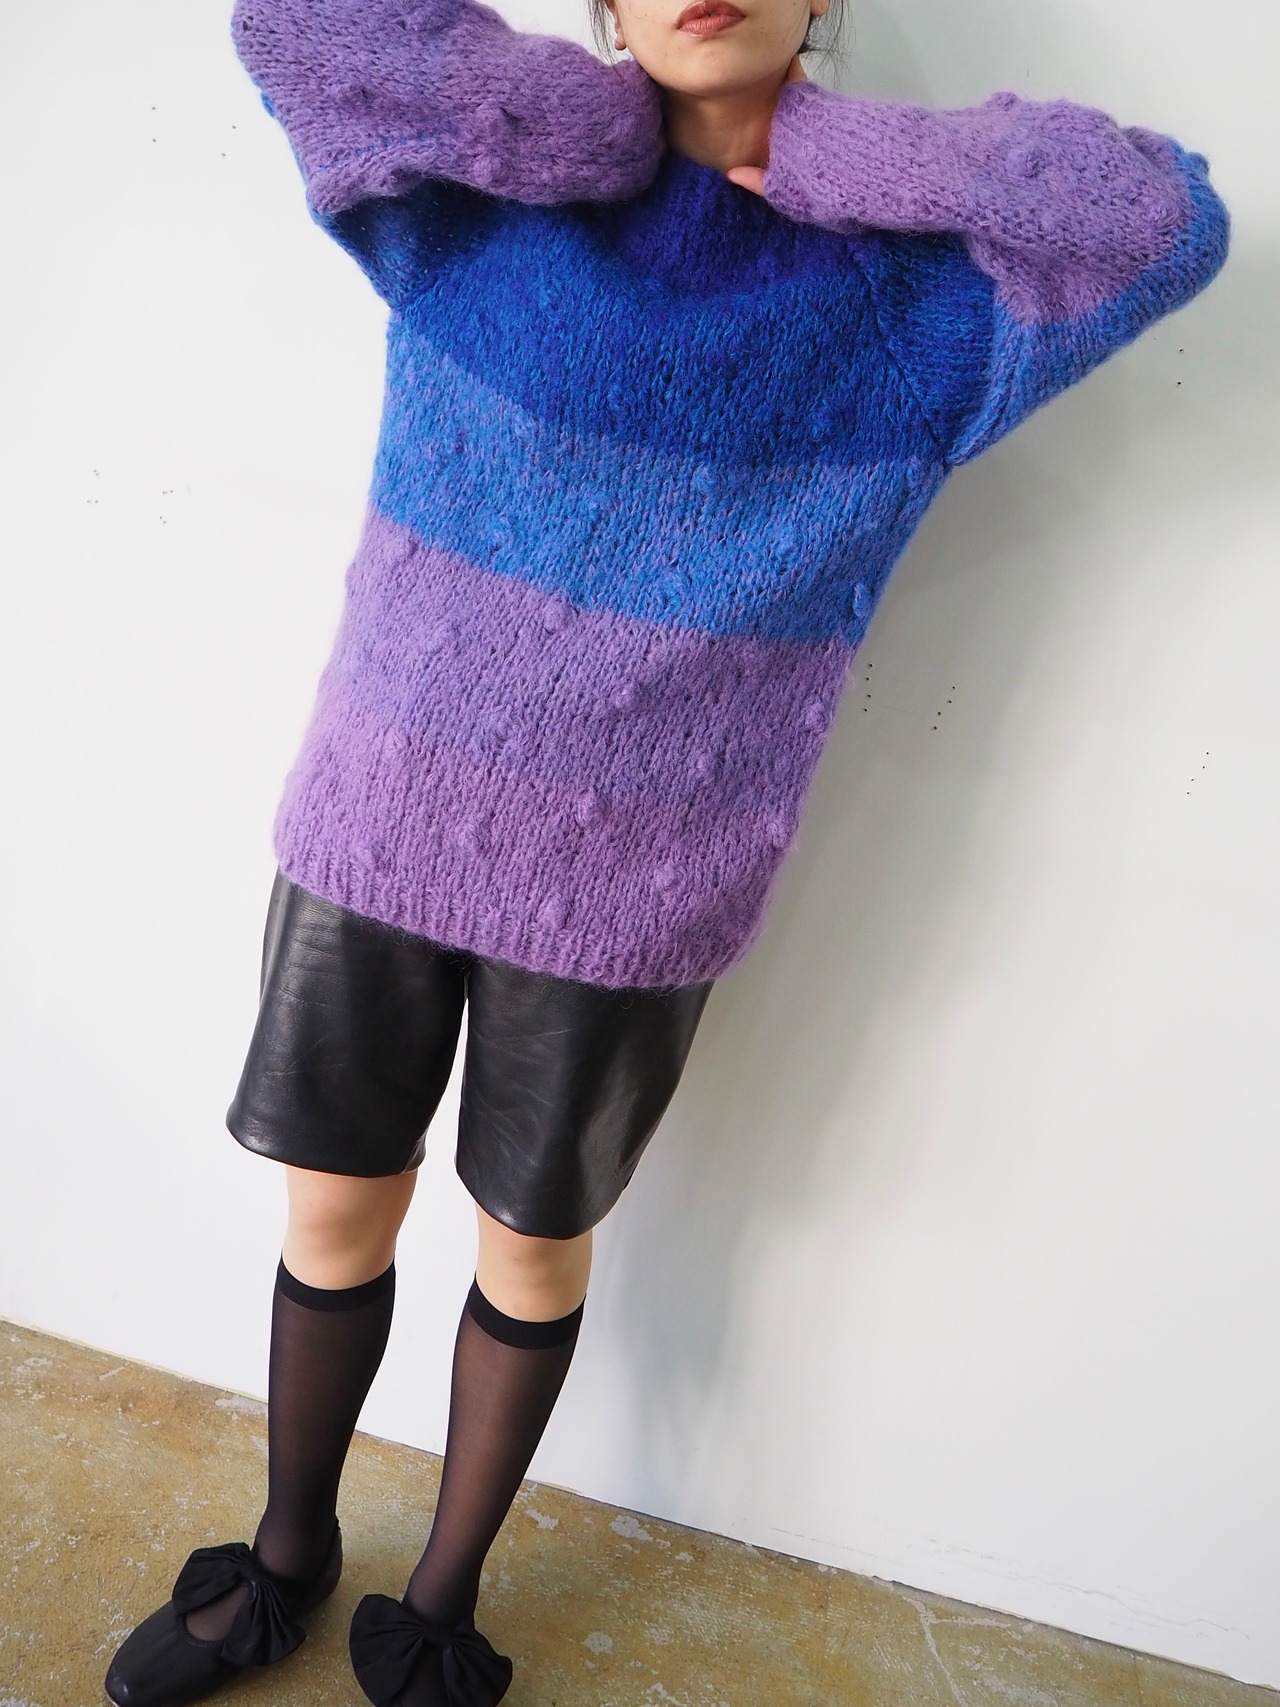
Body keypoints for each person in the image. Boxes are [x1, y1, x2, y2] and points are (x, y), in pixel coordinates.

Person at [103, 0, 1230, 1702]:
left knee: (529, 1240)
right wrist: (590, 122)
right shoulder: (485, 199)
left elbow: (1165, 221)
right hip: (383, 819)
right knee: (333, 1208)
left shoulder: (924, 314)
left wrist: (835, 148)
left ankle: (444, 1599)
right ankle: (284, 1556)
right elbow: (300, 26)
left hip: (634, 887)